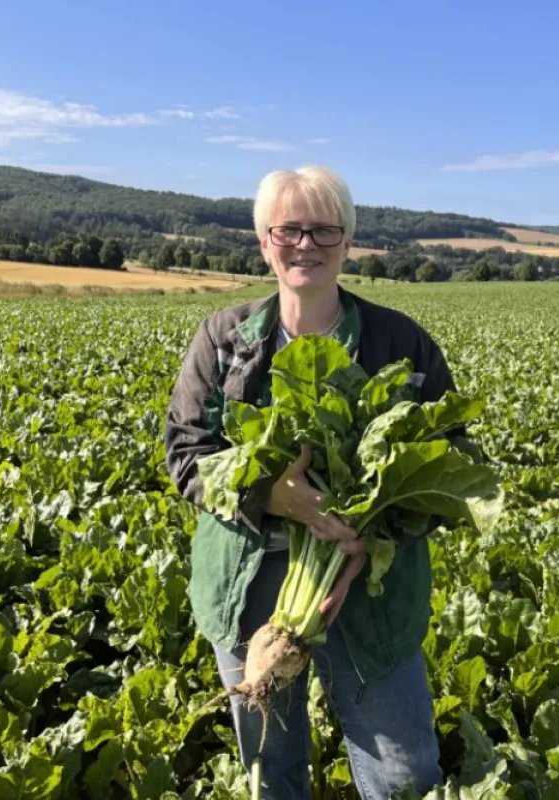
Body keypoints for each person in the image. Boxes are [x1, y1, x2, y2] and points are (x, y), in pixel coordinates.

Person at [165, 165, 458, 799]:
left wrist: (370, 530)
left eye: (325, 230)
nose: (307, 245)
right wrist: (269, 494)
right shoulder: (224, 340)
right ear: (265, 241)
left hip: (369, 598)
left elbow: (453, 458)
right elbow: (187, 454)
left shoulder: (398, 343)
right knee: (272, 773)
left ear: (348, 241)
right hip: (248, 590)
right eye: (289, 230)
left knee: (403, 775)